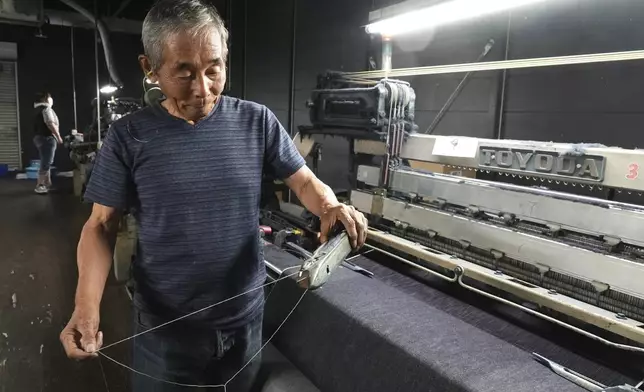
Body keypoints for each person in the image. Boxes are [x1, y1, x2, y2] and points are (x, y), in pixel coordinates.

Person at [59, 0, 368, 391]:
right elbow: (101, 227)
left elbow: (304, 182)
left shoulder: (257, 122)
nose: (203, 88)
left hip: (244, 327)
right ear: (149, 69)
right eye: (184, 72)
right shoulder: (129, 137)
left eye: (213, 68)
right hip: (165, 337)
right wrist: (86, 309)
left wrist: (330, 205)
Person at [32, 92, 63, 194]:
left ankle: (47, 184)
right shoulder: (46, 109)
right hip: (47, 138)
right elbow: (50, 123)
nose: (51, 100)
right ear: (46, 100)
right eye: (50, 98)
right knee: (46, 162)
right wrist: (58, 136)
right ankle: (40, 185)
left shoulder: (37, 110)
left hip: (39, 138)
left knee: (45, 161)